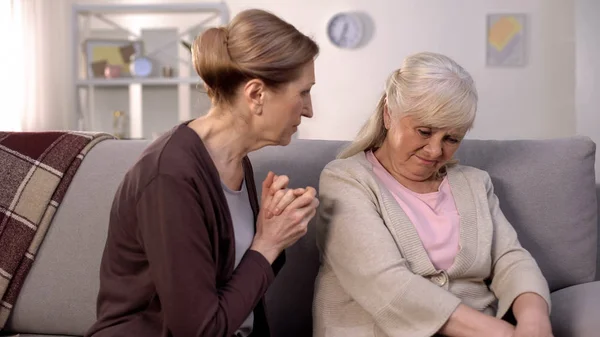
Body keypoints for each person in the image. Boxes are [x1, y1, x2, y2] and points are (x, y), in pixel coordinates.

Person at [85, 9, 320, 337]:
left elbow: (233, 279)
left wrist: (273, 228)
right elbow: (199, 330)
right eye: (303, 93)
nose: (309, 109)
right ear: (255, 95)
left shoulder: (234, 160)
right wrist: (267, 243)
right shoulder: (170, 177)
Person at [312, 52, 552, 337]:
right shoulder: (345, 179)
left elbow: (510, 260)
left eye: (451, 139)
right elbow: (386, 285)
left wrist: (534, 319)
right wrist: (503, 333)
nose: (435, 151)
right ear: (389, 113)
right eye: (424, 131)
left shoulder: (475, 183)